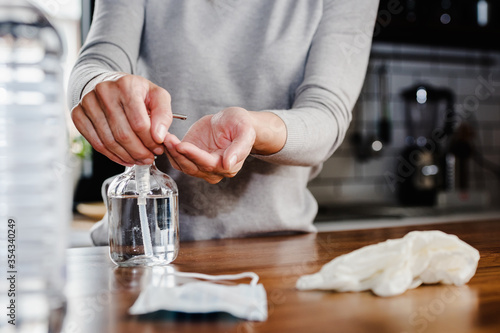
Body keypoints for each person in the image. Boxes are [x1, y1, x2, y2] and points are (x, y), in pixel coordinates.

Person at [68, 0, 379, 242]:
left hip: (276, 252)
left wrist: (253, 130)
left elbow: (326, 114)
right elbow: (98, 61)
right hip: (137, 246)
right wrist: (100, 85)